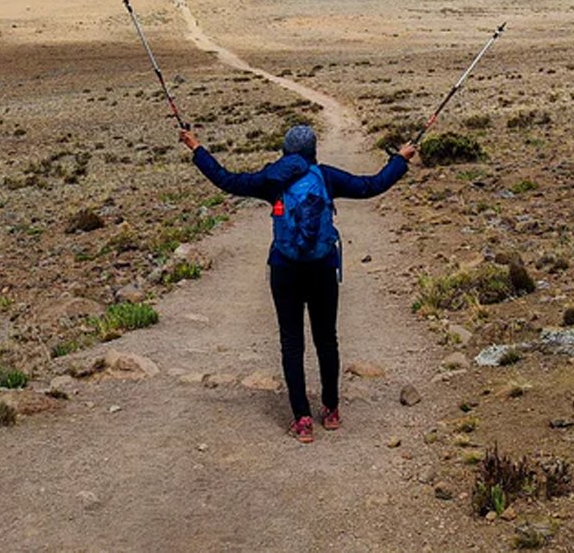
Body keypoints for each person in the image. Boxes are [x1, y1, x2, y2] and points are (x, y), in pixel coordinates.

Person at [179, 123, 419, 443]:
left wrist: (196, 148)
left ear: (285, 150)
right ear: (313, 150)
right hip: (322, 268)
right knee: (326, 340)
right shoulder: (326, 177)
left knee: (292, 343)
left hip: (285, 269)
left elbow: (226, 179)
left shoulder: (271, 180)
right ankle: (331, 411)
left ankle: (302, 420)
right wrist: (400, 160)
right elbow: (370, 185)